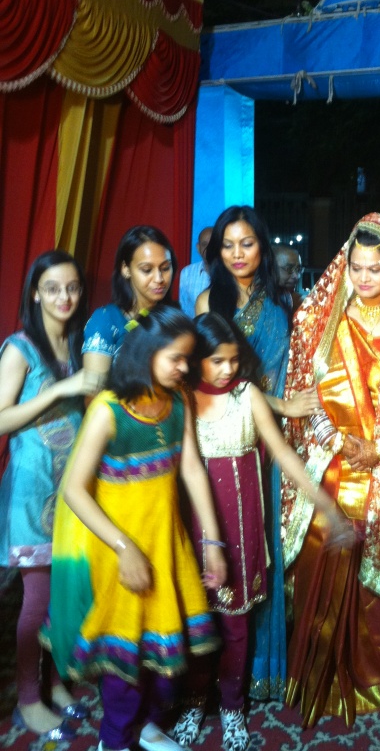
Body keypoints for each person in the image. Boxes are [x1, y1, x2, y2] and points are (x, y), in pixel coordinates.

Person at [281, 212, 380, 728]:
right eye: (357, 267)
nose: (366, 277)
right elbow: (303, 390)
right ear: (345, 264)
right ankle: (314, 673)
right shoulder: (320, 315)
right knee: (319, 557)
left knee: (378, 583)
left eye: (376, 268)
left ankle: (369, 679)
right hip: (331, 460)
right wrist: (336, 440)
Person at [41, 306, 226, 751]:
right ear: (146, 352)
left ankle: (147, 726)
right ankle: (114, 740)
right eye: (175, 358)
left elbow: (192, 469)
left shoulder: (178, 401)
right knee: (126, 658)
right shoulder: (108, 410)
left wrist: (212, 542)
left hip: (167, 545)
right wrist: (124, 548)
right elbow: (75, 491)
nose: (184, 368)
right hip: (118, 551)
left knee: (165, 658)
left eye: (187, 358)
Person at [172, 312, 351, 751]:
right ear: (196, 359)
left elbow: (285, 455)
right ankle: (194, 701)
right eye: (217, 361)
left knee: (236, 625)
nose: (228, 369)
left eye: (233, 360)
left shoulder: (247, 394)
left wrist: (327, 506)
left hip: (242, 526)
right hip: (196, 527)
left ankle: (232, 706)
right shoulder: (184, 399)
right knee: (198, 621)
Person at [195, 205, 319, 701]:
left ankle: (256, 672)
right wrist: (283, 403)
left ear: (261, 247)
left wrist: (292, 409)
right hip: (220, 441)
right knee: (216, 546)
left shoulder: (279, 305)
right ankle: (207, 684)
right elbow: (211, 380)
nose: (237, 254)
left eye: (246, 243)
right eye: (228, 245)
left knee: (260, 548)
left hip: (266, 444)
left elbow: (285, 372)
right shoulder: (209, 301)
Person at [0, 250, 95, 739]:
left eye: (72, 287)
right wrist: (59, 390)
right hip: (33, 492)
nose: (64, 297)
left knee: (66, 595)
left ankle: (57, 685)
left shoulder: (78, 344)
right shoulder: (21, 349)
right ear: (35, 292)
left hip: (71, 490)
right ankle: (28, 698)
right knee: (37, 600)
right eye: (53, 288)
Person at [83, 225, 178, 390]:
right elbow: (93, 395)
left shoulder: (175, 318)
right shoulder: (106, 320)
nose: (159, 278)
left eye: (165, 268)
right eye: (147, 270)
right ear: (126, 269)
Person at [179, 226, 212, 318]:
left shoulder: (231, 273)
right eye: (204, 244)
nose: (209, 248)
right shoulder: (187, 273)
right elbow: (184, 309)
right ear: (198, 248)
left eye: (213, 244)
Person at [273, 243, 303, 312]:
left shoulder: (293, 300)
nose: (296, 276)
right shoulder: (257, 302)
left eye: (298, 269)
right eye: (289, 269)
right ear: (270, 268)